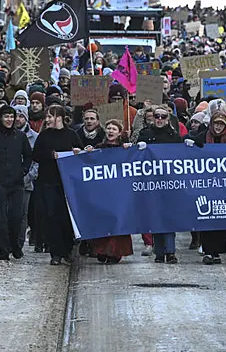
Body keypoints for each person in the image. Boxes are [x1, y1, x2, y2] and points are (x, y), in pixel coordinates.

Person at [32, 105, 81, 265]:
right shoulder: (44, 136)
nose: (47, 120)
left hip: (68, 183)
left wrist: (76, 152)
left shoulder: (71, 134)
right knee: (52, 217)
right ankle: (56, 253)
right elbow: (36, 155)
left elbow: (80, 154)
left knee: (66, 217)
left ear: (59, 117)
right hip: (48, 181)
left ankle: (68, 248)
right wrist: (50, 155)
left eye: (50, 116)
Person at [136, 105, 183, 264]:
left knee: (169, 217)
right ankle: (159, 252)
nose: (160, 119)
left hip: (169, 183)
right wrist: (138, 148)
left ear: (168, 119)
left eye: (163, 116)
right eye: (157, 116)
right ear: (153, 117)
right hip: (151, 183)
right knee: (155, 216)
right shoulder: (145, 134)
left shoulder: (174, 136)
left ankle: (170, 252)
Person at [0, 104, 33, 261]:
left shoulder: (20, 136)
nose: (9, 119)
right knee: (0, 218)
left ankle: (16, 246)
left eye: (12, 117)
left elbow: (28, 156)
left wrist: (23, 170)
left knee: (16, 216)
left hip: (16, 182)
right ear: (0, 118)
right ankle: (3, 250)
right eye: (6, 116)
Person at [194, 110, 226, 265]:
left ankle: (217, 252)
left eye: (221, 124)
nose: (218, 127)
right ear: (211, 124)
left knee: (221, 217)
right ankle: (208, 251)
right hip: (207, 185)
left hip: (224, 186)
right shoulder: (202, 137)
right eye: (216, 123)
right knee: (207, 217)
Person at [88, 120, 134, 264]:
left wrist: (130, 149)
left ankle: (115, 251)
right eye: (108, 128)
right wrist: (87, 152)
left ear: (119, 132)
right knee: (104, 219)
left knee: (118, 220)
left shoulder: (124, 149)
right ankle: (101, 250)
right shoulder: (99, 148)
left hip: (120, 191)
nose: (110, 131)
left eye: (114, 129)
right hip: (103, 191)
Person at [13, 105, 39, 251]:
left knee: (22, 214)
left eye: (21, 116)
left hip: (26, 182)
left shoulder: (34, 137)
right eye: (15, 116)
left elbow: (36, 161)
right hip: (8, 180)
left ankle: (19, 243)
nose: (18, 119)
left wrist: (28, 177)